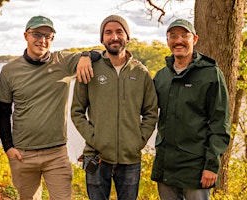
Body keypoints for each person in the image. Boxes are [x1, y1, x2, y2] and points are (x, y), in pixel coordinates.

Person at [0, 15, 99, 200]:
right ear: (26, 35)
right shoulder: (9, 71)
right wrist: (8, 147)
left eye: (48, 36)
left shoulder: (63, 62)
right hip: (22, 154)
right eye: (37, 34)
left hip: (56, 154)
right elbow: (3, 113)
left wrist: (85, 56)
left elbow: (99, 53)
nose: (42, 40)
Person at [71, 15, 159, 200]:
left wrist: (139, 140)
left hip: (130, 159)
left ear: (127, 37)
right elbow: (77, 112)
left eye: (119, 32)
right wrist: (95, 138)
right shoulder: (89, 69)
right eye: (108, 32)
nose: (114, 37)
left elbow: (151, 113)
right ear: (102, 39)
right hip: (96, 156)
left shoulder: (141, 73)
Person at [150, 18, 231, 200]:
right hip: (166, 167)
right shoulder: (162, 76)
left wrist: (211, 165)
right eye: (173, 36)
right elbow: (143, 110)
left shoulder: (210, 73)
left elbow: (220, 122)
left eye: (184, 35)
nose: (178, 41)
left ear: (194, 39)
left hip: (196, 168)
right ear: (168, 41)